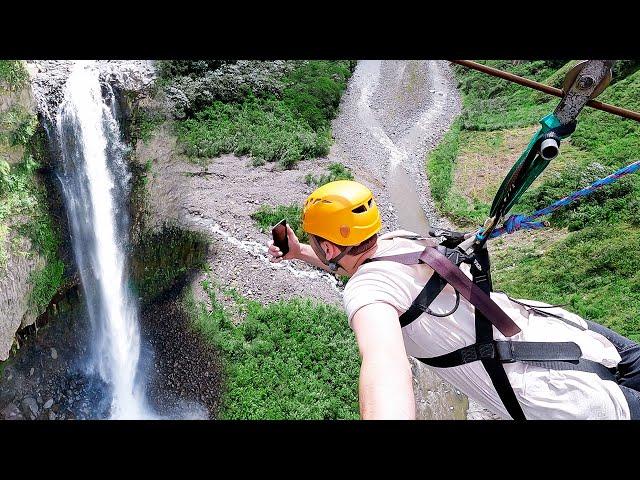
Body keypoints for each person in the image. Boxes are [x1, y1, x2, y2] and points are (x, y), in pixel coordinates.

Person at [267, 180, 640, 420]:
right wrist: (301, 253)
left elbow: (385, 366)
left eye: (314, 239)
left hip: (563, 396)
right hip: (568, 333)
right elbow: (358, 265)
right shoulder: (401, 240)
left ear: (330, 245)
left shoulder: (367, 293)